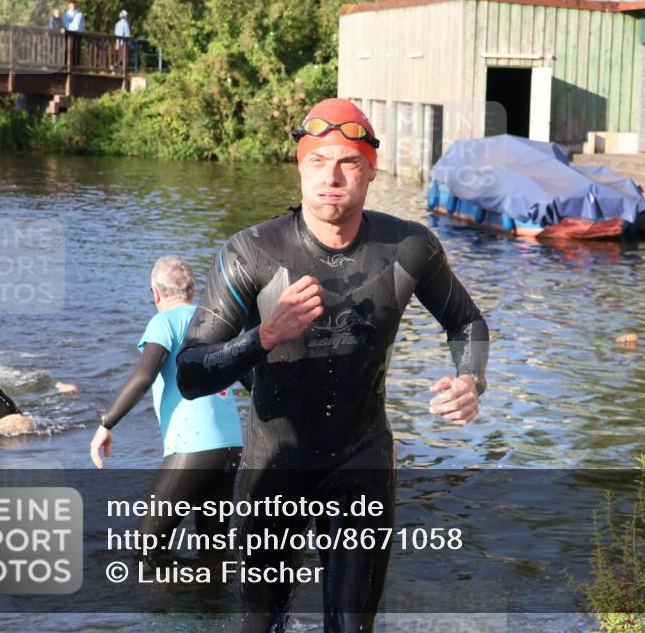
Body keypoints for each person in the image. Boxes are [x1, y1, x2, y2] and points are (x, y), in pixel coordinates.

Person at [176, 98, 489, 632]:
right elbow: (190, 372)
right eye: (317, 160)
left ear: (370, 172)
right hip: (273, 467)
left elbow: (467, 324)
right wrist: (264, 336)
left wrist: (469, 379)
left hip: (361, 465)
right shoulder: (250, 252)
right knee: (262, 626)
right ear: (300, 167)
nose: (332, 176)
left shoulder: (410, 247)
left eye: (348, 162)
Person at [89, 256, 243, 547]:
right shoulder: (215, 320)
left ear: (155, 293)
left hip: (194, 447)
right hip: (231, 446)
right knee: (213, 547)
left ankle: (160, 592)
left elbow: (143, 376)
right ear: (193, 290)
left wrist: (106, 423)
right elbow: (247, 372)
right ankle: (208, 591)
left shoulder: (163, 322)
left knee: (147, 547)